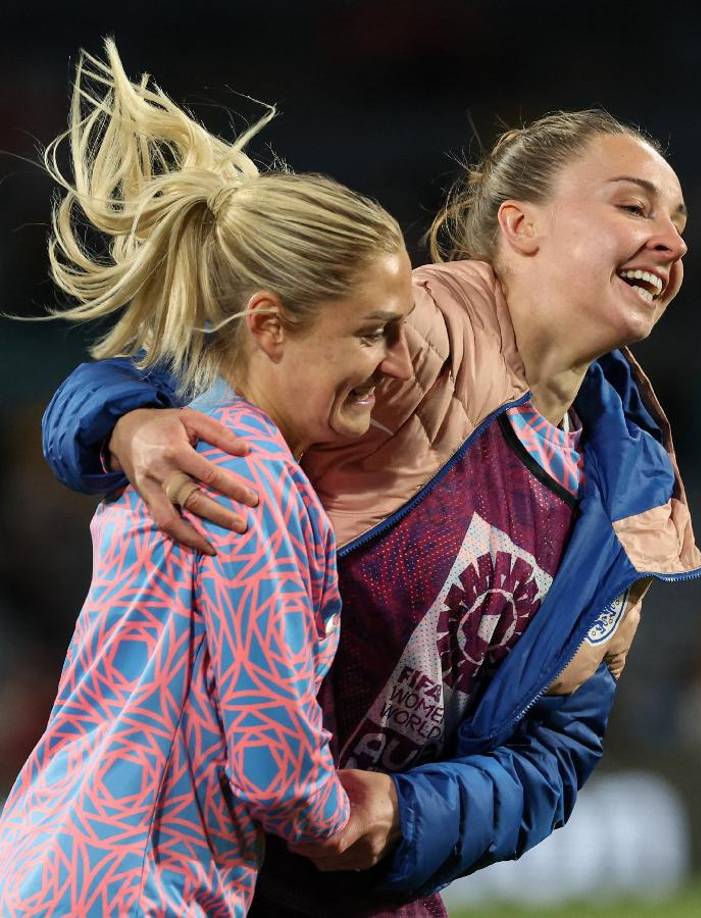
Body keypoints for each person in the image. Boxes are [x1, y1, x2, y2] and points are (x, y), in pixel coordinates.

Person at [41, 110, 701, 916]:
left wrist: (401, 817)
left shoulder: (632, 502)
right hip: (198, 851)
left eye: (677, 221)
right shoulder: (409, 332)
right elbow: (175, 362)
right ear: (520, 225)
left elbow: (555, 756)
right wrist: (123, 423)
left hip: (352, 881)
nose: (670, 243)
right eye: (634, 208)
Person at [0, 40, 414, 916]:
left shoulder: (190, 445)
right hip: (141, 890)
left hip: (51, 860)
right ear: (269, 323)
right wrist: (352, 817)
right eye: (374, 331)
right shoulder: (245, 481)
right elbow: (270, 762)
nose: (396, 362)